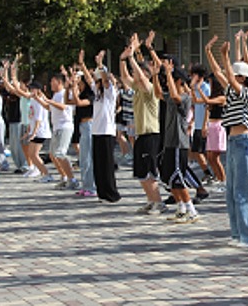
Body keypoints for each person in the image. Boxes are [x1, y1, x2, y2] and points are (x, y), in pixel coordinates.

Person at [208, 35, 248, 247]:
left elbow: (228, 77)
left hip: (243, 142)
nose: (233, 76)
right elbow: (221, 75)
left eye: (237, 74)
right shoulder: (233, 90)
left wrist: (224, 55)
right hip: (232, 143)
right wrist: (210, 53)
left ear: (243, 77)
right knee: (231, 191)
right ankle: (237, 234)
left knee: (243, 191)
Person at [121, 33, 165, 215]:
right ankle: (150, 200)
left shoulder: (150, 90)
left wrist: (132, 57)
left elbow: (140, 77)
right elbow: (125, 78)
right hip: (140, 134)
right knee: (140, 171)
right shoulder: (136, 90)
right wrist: (122, 59)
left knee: (150, 172)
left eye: (138, 73)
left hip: (151, 133)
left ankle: (159, 202)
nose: (134, 76)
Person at [155, 58, 199, 223]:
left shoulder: (185, 97)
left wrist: (168, 72)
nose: (169, 82)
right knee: (168, 177)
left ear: (178, 81)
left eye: (172, 79)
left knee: (178, 178)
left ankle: (191, 210)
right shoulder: (172, 96)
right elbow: (158, 93)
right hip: (169, 142)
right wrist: (155, 75)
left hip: (179, 143)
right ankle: (180, 208)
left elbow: (174, 96)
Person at [79, 49, 121, 203]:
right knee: (98, 164)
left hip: (107, 132)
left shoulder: (111, 93)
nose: (97, 82)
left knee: (107, 164)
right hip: (96, 132)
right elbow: (89, 78)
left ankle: (111, 193)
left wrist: (100, 64)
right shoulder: (97, 93)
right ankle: (102, 192)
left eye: (100, 80)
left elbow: (104, 79)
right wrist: (82, 64)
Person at [36, 73, 78, 190]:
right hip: (56, 127)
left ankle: (72, 179)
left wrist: (49, 101)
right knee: (53, 155)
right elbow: (49, 107)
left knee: (60, 153)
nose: (51, 84)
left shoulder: (65, 93)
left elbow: (64, 107)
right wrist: (38, 99)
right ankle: (64, 177)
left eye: (52, 81)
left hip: (65, 126)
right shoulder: (56, 95)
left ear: (59, 82)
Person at [65, 69, 96, 197]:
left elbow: (78, 102)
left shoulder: (91, 95)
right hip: (82, 126)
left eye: (78, 80)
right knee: (83, 158)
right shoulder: (81, 93)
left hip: (89, 125)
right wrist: (68, 88)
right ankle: (85, 185)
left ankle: (91, 186)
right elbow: (68, 101)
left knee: (88, 157)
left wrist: (73, 88)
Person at [23, 81, 53, 182]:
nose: (31, 90)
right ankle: (43, 172)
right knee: (31, 154)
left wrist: (34, 132)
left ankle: (47, 174)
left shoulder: (40, 100)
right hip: (34, 131)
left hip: (40, 131)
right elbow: (31, 117)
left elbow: (38, 119)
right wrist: (28, 131)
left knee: (34, 154)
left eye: (33, 89)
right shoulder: (33, 100)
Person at [190, 64, 214, 184]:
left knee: (200, 151)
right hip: (197, 123)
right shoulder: (195, 88)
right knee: (198, 151)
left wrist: (205, 124)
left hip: (204, 124)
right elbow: (194, 103)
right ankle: (208, 172)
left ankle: (209, 173)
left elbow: (206, 106)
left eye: (193, 74)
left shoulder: (206, 87)